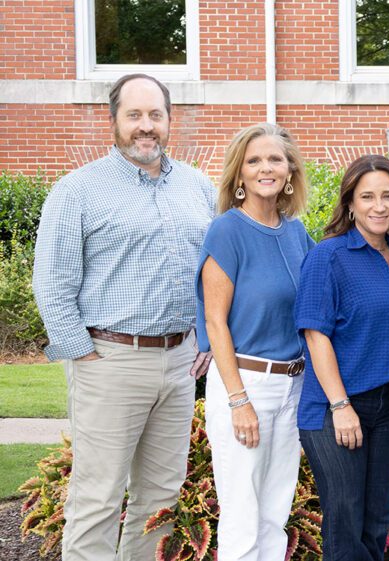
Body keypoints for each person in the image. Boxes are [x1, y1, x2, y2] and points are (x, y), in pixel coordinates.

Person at [31, 73, 215, 561]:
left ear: (170, 120)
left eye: (155, 115)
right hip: (109, 360)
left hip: (179, 363)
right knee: (97, 499)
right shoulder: (78, 191)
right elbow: (53, 285)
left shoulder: (198, 188)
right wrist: (85, 356)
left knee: (160, 501)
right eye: (134, 115)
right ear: (113, 120)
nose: (145, 126)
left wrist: (206, 337)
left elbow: (213, 274)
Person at [294, 154, 389, 560]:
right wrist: (341, 405)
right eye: (367, 196)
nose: (379, 205)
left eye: (388, 196)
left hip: (388, 406)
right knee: (346, 524)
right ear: (350, 204)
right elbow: (316, 336)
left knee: (376, 522)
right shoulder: (328, 256)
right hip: (338, 408)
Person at [195, 123, 314, 561]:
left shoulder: (297, 233)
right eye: (255, 160)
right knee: (242, 513)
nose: (267, 167)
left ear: (289, 170)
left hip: (293, 385)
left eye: (276, 159)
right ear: (239, 174)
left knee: (275, 510)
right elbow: (215, 320)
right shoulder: (227, 231)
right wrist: (238, 399)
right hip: (245, 381)